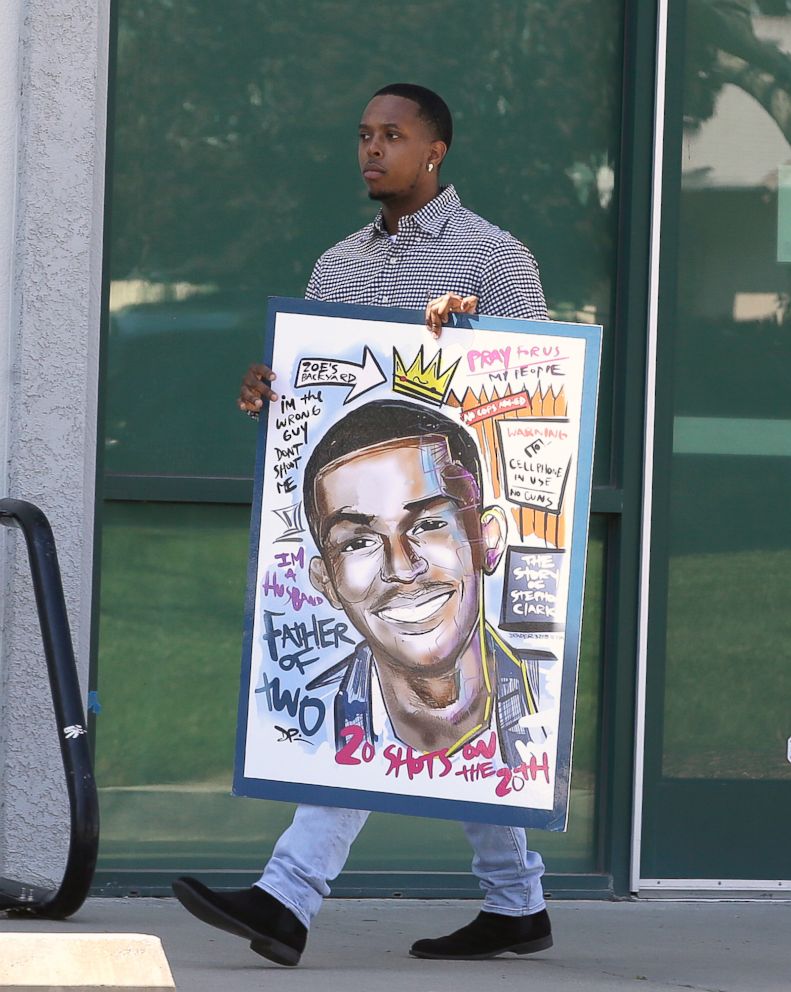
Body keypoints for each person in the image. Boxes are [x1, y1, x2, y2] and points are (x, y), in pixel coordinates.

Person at [173, 82, 552, 967]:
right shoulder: (337, 267)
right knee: (439, 689)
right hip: (370, 528)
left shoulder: (494, 256)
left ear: (436, 152)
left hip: (441, 522)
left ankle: (285, 900)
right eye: (363, 135)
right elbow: (318, 418)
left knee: (409, 685)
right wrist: (273, 398)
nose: (372, 150)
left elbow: (538, 395)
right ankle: (517, 903)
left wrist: (478, 338)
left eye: (393, 135)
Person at [301, 398, 542, 763]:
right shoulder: (304, 729)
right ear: (327, 581)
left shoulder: (550, 699)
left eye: (429, 525)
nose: (401, 567)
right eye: (359, 542)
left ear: (488, 541)